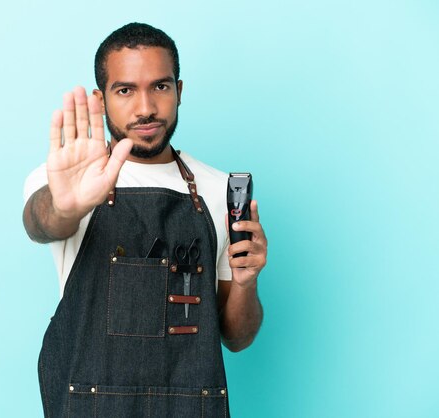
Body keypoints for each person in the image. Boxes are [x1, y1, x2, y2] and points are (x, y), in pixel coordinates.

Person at [23, 22, 267, 418]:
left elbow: (237, 337)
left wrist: (246, 280)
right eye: (126, 90)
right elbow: (41, 222)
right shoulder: (67, 180)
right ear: (101, 100)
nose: (145, 108)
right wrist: (66, 206)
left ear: (179, 91)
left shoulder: (218, 188)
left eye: (160, 86)